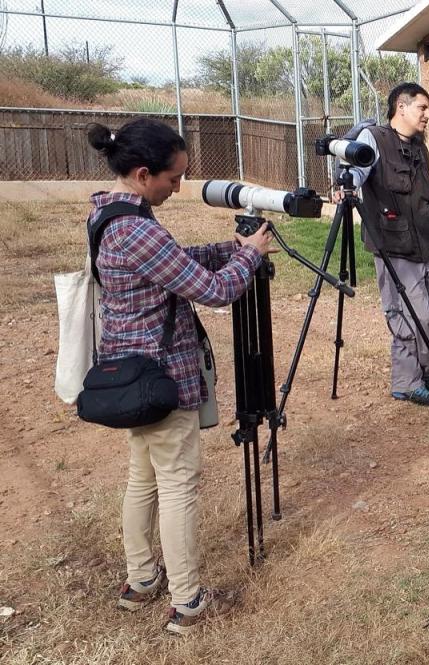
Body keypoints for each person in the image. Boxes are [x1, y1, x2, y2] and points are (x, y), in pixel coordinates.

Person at [86, 118, 273, 633]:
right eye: (173, 178)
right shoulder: (137, 228)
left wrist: (226, 249)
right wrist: (250, 258)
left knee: (143, 478)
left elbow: (170, 263)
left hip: (128, 376)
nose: (178, 187)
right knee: (177, 485)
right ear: (143, 174)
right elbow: (214, 291)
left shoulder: (108, 213)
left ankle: (141, 578)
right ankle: (187, 599)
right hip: (162, 375)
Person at [336, 82, 429, 407]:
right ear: (401, 106)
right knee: (413, 315)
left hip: (426, 242)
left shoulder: (419, 147)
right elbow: (357, 172)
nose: (427, 115)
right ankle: (422, 374)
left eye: (428, 109)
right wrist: (346, 183)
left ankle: (416, 375)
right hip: (394, 245)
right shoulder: (374, 138)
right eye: (422, 108)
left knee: (428, 314)